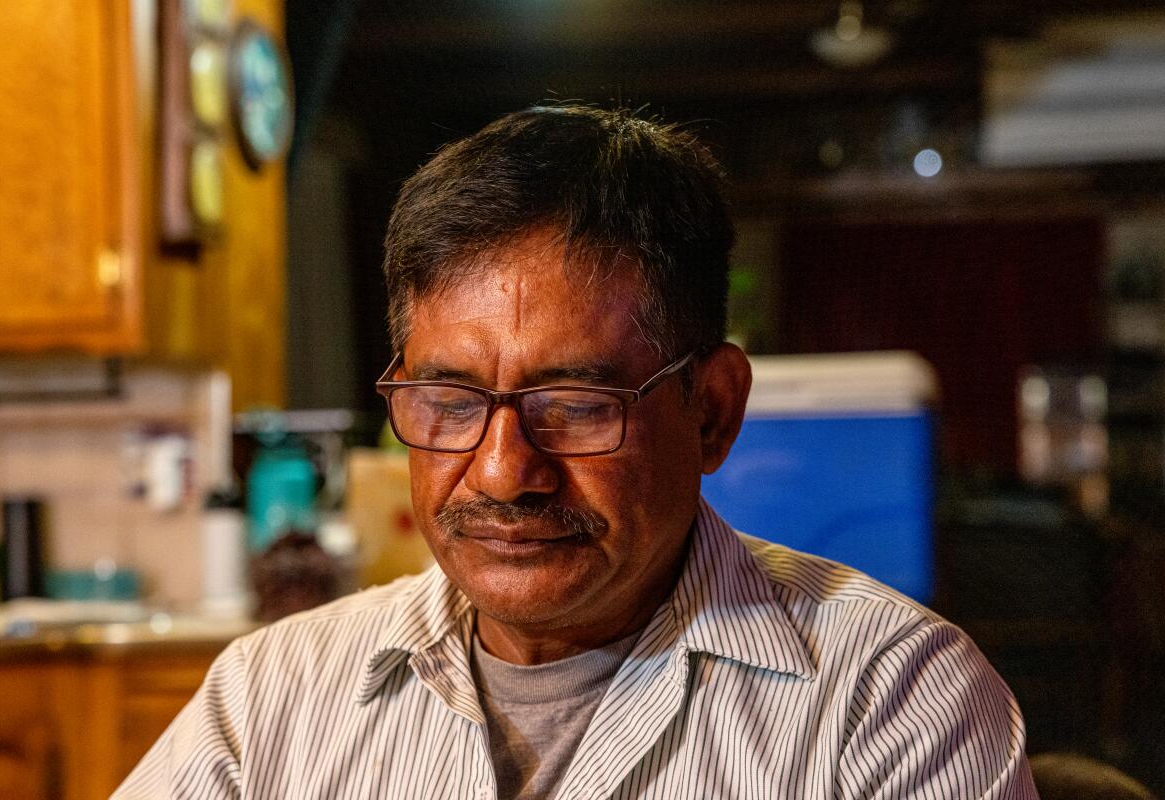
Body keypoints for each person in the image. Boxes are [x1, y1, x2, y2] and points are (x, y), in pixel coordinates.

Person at [116, 105, 1039, 799]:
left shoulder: (889, 701)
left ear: (712, 411)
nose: (502, 471)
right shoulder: (273, 694)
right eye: (448, 401)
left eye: (575, 405)